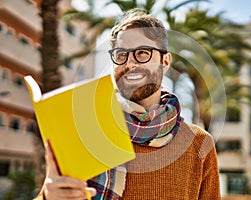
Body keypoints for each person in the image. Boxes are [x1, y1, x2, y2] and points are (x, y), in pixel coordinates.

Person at [35, 8, 221, 200]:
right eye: (121, 54)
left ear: (165, 62)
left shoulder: (199, 144)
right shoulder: (83, 131)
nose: (130, 63)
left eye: (142, 53)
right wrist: (49, 197)